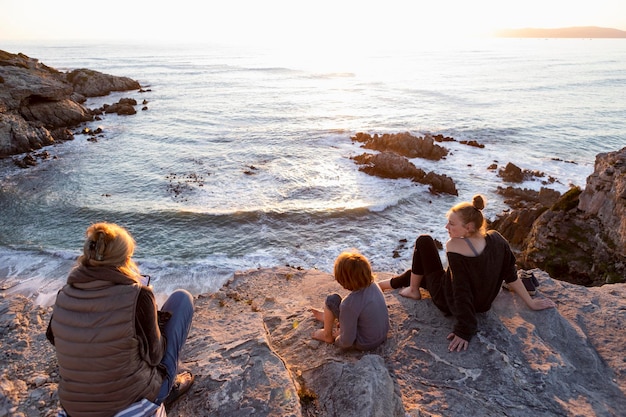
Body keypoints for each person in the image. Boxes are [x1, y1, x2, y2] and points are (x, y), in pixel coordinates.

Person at [46, 222, 195, 417]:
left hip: (74, 407)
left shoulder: (64, 294)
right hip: (130, 403)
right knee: (182, 299)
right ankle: (167, 389)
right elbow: (155, 356)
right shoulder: (138, 294)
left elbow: (54, 338)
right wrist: (152, 323)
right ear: (125, 259)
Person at [378, 195, 555, 352]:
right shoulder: (497, 239)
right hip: (483, 304)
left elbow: (460, 289)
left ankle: (412, 290)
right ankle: (384, 285)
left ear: (469, 227)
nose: (446, 226)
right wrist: (530, 303)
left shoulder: (454, 247)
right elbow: (511, 275)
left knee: (424, 241)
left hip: (448, 300)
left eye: (452, 224)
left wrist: (465, 329)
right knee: (420, 272)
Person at [311, 251, 390, 351]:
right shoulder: (374, 285)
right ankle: (329, 318)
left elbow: (346, 342)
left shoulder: (348, 304)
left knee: (331, 300)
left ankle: (326, 334)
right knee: (344, 307)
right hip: (381, 334)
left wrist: (338, 337)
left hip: (364, 343)